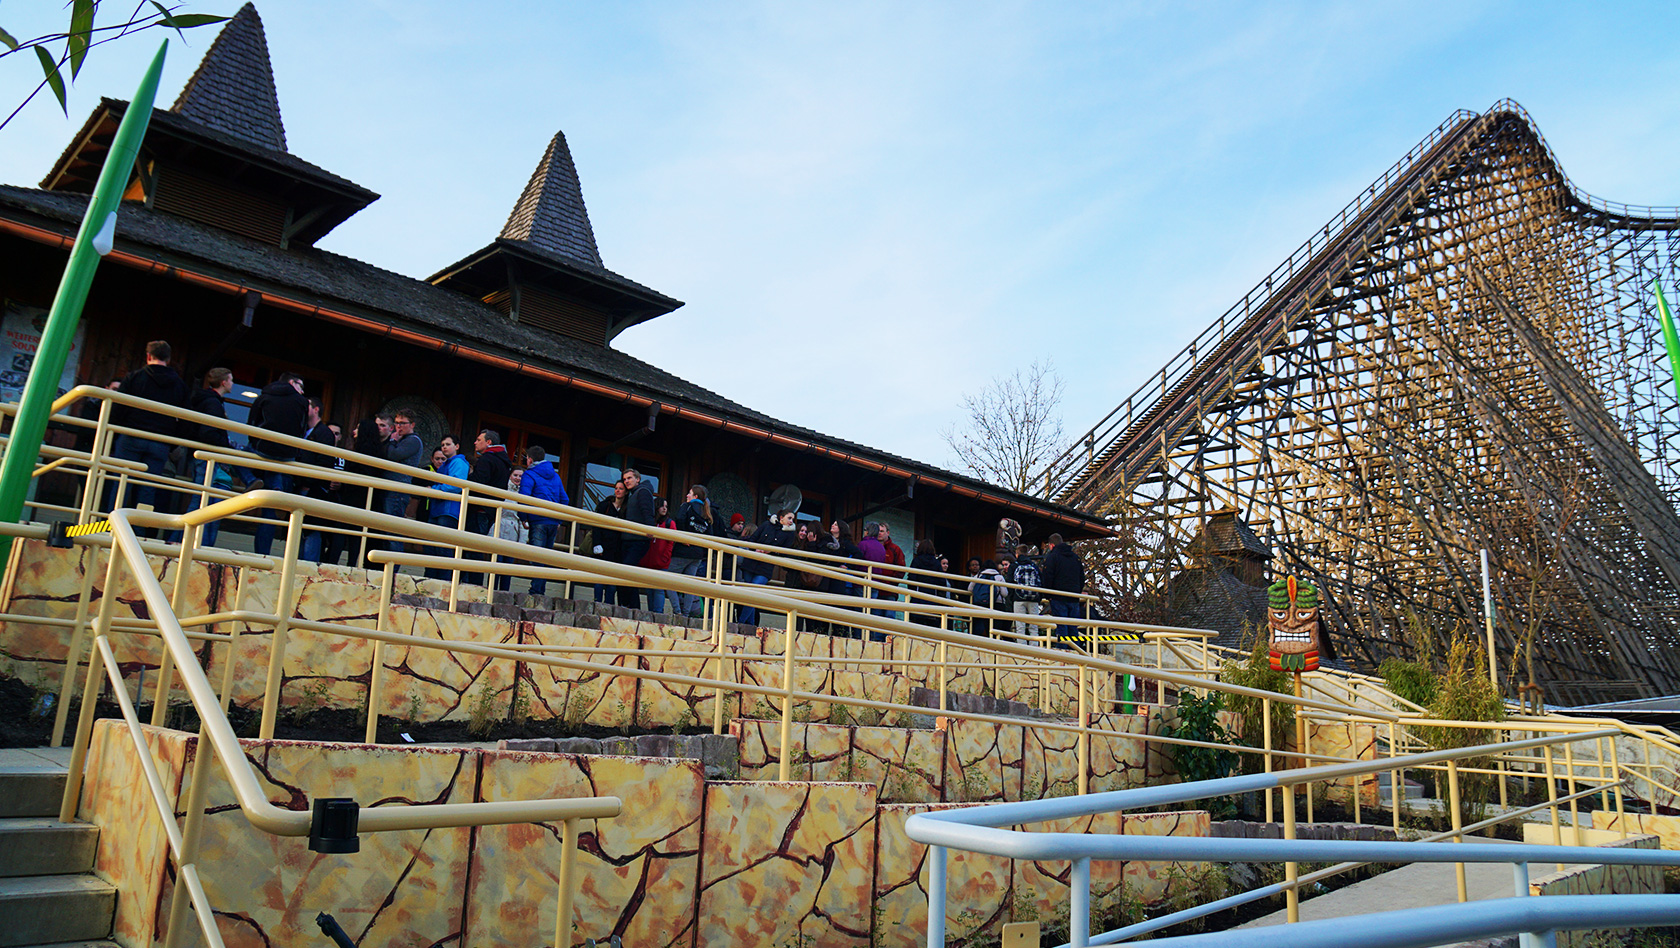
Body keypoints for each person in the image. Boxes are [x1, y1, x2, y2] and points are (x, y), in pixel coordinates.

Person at [106, 340, 190, 523]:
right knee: (148, 489)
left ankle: (112, 528)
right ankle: (139, 532)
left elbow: (118, 409)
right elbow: (186, 419)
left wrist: (114, 433)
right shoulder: (180, 385)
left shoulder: (134, 378)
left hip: (131, 437)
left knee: (121, 484)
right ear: (168, 359)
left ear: (148, 356)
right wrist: (172, 442)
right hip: (160, 442)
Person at [246, 372, 308, 557]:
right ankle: (276, 488)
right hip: (288, 455)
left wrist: (257, 443)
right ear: (292, 382)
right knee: (270, 511)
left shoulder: (264, 396)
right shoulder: (301, 402)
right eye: (301, 386)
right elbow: (302, 429)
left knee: (237, 456)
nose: (302, 391)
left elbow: (251, 424)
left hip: (264, 449)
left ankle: (250, 479)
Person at [174, 367, 236, 546]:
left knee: (202, 498)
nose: (232, 383)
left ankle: (181, 540)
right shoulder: (213, 403)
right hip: (207, 456)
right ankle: (179, 540)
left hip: (200, 455)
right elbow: (208, 432)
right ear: (224, 382)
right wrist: (224, 445)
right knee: (202, 499)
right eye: (231, 380)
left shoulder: (206, 400)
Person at [462, 429, 511, 586]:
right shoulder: (503, 462)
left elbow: (479, 482)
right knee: (477, 548)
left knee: (470, 548)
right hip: (490, 510)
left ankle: (469, 584)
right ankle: (474, 585)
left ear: (488, 442)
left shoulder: (487, 459)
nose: (475, 443)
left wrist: (468, 476)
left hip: (479, 509)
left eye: (478, 440)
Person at [518, 445, 570, 595]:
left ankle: (536, 591)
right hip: (553, 522)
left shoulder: (529, 474)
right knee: (546, 558)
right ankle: (540, 590)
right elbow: (564, 499)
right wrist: (559, 519)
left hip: (537, 520)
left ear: (529, 459)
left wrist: (523, 517)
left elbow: (523, 497)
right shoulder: (555, 475)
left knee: (537, 557)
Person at [736, 509, 796, 626]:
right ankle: (750, 625)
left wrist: (771, 551)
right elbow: (752, 539)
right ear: (781, 517)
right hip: (751, 563)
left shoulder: (790, 534)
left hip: (766, 567)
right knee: (749, 595)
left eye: (792, 519)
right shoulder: (767, 525)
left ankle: (740, 623)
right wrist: (755, 549)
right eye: (789, 518)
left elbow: (785, 553)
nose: (791, 521)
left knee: (754, 593)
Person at [295, 397, 338, 562]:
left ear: (316, 409)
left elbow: (325, 462)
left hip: (312, 489)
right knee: (298, 528)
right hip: (300, 487)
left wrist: (308, 483)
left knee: (311, 529)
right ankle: (295, 562)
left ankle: (308, 567)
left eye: (307, 406)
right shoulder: (304, 429)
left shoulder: (324, 433)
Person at [423, 434, 470, 580]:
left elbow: (456, 485)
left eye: (448, 444)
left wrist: (435, 489)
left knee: (443, 549)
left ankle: (444, 582)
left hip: (449, 510)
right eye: (443, 444)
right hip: (438, 509)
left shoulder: (459, 462)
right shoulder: (446, 464)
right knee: (432, 548)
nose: (444, 447)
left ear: (456, 446)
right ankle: (431, 579)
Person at [669, 485, 713, 618]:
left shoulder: (686, 506)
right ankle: (686, 614)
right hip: (697, 555)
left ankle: (677, 611)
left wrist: (683, 537)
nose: (687, 495)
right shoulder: (707, 513)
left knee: (667, 578)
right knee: (690, 586)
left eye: (689, 493)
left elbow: (680, 519)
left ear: (695, 497)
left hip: (683, 551)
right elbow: (710, 535)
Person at [618, 468, 656, 609]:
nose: (626, 481)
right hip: (628, 538)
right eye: (625, 479)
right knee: (626, 572)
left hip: (638, 539)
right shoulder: (632, 494)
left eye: (629, 478)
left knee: (628, 571)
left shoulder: (643, 492)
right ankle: (627, 604)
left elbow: (647, 512)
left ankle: (632, 606)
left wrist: (650, 530)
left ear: (637, 479)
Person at [1041, 533, 1087, 642]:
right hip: (1073, 597)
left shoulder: (1052, 557)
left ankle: (1062, 651)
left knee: (1062, 626)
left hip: (1058, 597)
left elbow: (1048, 576)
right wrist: (1077, 592)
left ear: (1051, 545)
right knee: (1073, 627)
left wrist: (1048, 595)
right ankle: (1075, 652)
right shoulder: (1075, 558)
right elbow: (1081, 577)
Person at [638, 497, 677, 613]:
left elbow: (671, 542)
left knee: (659, 589)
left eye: (666, 506)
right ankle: (651, 613)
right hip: (648, 560)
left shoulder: (670, 523)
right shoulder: (651, 521)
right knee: (649, 589)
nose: (664, 509)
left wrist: (665, 556)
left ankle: (658, 613)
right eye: (662, 506)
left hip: (661, 562)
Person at [592, 480, 626, 604]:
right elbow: (596, 526)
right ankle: (597, 603)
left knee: (612, 583)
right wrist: (597, 544)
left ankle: (609, 606)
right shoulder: (604, 506)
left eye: (621, 488)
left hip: (617, 550)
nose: (617, 490)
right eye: (616, 488)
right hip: (603, 547)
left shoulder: (627, 509)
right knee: (599, 579)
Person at [1009, 546, 1045, 639]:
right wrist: (1039, 597)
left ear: (1017, 554)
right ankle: (1034, 647)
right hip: (1033, 599)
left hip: (1018, 598)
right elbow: (1041, 581)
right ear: (1027, 553)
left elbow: (1009, 582)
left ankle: (1022, 649)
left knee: (1020, 626)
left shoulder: (1014, 565)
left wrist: (1012, 597)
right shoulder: (1034, 566)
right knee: (1034, 626)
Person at [908, 538, 943, 627]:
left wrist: (912, 594)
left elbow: (911, 579)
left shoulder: (916, 561)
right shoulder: (937, 563)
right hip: (933, 599)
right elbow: (942, 581)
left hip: (918, 599)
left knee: (916, 627)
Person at [969, 559, 1007, 637]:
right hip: (997, 604)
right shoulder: (999, 577)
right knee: (996, 628)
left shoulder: (978, 576)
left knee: (983, 626)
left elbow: (970, 589)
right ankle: (995, 645)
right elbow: (1004, 593)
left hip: (982, 604)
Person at [878, 522, 908, 620]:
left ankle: (888, 636)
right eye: (878, 531)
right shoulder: (872, 547)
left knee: (889, 618)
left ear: (888, 533)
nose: (879, 533)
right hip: (874, 589)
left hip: (889, 591)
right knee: (874, 618)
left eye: (882, 531)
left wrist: (891, 583)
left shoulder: (895, 549)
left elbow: (901, 569)